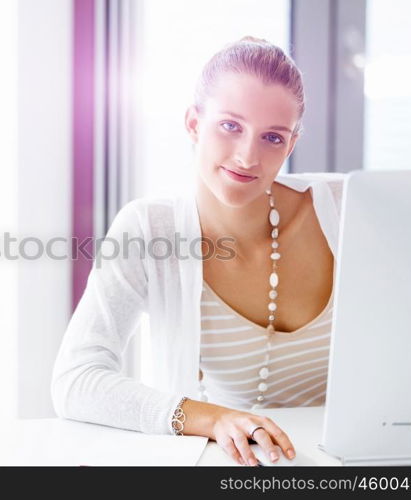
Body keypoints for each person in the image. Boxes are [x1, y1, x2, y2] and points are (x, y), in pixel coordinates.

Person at [51, 36, 345, 467]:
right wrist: (214, 419)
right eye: (230, 126)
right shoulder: (151, 229)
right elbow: (76, 380)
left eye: (272, 137)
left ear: (292, 144)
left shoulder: (345, 207)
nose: (247, 156)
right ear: (193, 123)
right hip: (228, 468)